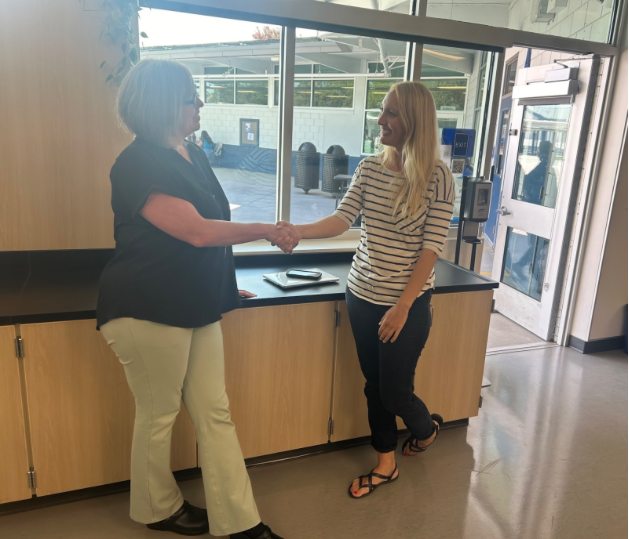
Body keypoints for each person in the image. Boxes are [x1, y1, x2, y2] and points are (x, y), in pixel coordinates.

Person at [97, 59, 296, 539]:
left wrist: (222, 287)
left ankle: (240, 523)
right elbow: (197, 232)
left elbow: (211, 231)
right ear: (164, 104)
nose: (200, 103)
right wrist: (269, 229)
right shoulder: (136, 162)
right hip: (145, 306)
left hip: (194, 303)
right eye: (191, 96)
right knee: (159, 414)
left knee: (214, 410)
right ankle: (156, 508)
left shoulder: (193, 154)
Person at [280, 81, 454, 499]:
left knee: (395, 389)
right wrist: (296, 232)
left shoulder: (439, 178)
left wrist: (403, 307)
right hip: (360, 295)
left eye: (391, 113)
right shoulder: (369, 168)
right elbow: (342, 219)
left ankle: (426, 427)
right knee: (374, 385)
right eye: (383, 111)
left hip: (406, 304)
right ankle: (386, 463)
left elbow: (431, 249)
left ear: (413, 120)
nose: (381, 120)